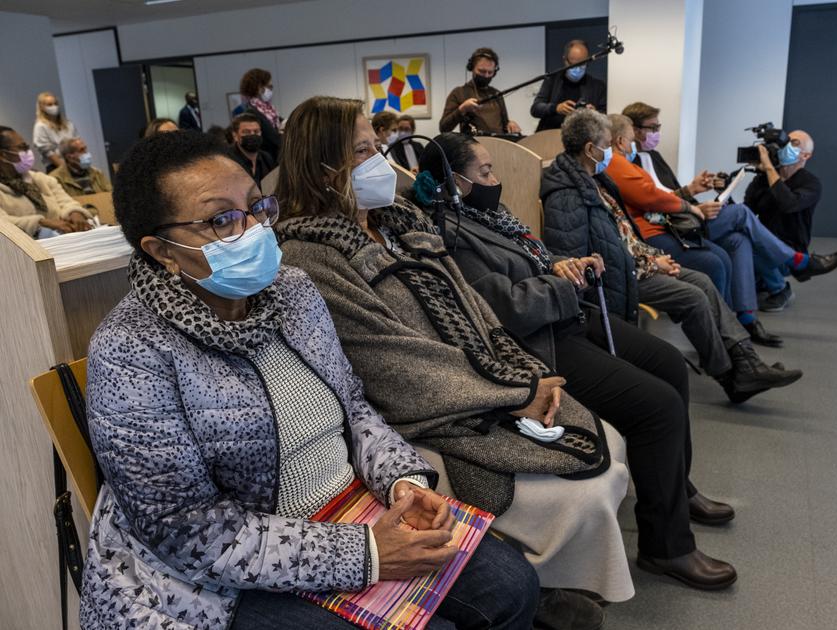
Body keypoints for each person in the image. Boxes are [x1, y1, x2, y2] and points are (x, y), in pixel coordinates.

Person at [79, 129, 540, 629]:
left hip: (348, 507)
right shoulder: (130, 349)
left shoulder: (293, 290)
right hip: (213, 579)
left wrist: (402, 483)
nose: (254, 229)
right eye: (220, 220)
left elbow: (355, 408)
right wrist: (365, 553)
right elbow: (189, 532)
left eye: (256, 207)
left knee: (513, 587)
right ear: (162, 251)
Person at [275, 95, 638, 626]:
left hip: (483, 385)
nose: (380, 160)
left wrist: (524, 375)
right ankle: (538, 589)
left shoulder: (402, 222)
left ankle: (550, 583)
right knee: (579, 491)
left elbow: (475, 306)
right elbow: (388, 363)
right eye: (361, 150)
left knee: (605, 438)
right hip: (424, 411)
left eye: (378, 145)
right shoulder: (310, 255)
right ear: (322, 166)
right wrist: (511, 396)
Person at [413, 131, 742, 594]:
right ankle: (666, 548)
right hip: (540, 342)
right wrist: (563, 285)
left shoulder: (489, 215)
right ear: (453, 181)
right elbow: (506, 309)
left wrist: (566, 264)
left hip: (565, 315)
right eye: (484, 171)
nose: (495, 178)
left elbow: (536, 260)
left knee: (668, 362)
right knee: (659, 405)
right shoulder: (452, 234)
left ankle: (675, 490)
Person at [589, 115, 804, 394]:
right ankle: (732, 373)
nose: (634, 144)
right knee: (715, 259)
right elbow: (629, 222)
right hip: (639, 255)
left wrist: (688, 195)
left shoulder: (620, 169)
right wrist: (657, 252)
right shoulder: (603, 174)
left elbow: (636, 218)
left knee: (729, 250)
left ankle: (745, 359)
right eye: (630, 138)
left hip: (649, 242)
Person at [620, 101, 780, 346]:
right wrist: (692, 203)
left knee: (739, 241)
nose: (657, 133)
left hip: (679, 220)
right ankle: (794, 262)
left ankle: (744, 320)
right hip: (668, 226)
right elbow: (652, 203)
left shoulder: (654, 157)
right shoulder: (626, 164)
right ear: (633, 130)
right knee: (740, 214)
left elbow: (667, 194)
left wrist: (693, 190)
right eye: (653, 127)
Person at [745, 131, 837, 310]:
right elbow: (747, 211)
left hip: (790, 249)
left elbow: (788, 204)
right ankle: (762, 281)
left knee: (754, 248)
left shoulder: (811, 184)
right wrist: (723, 192)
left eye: (794, 143)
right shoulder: (762, 180)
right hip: (763, 244)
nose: (786, 147)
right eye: (785, 142)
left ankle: (780, 289)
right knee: (740, 240)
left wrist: (769, 169)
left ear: (806, 155)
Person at [0, 126, 92, 237]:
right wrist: (42, 223)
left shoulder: (40, 179)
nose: (28, 152)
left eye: (27, 147)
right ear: (2, 155)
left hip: (63, 240)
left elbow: (66, 201)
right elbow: (3, 223)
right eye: (21, 147)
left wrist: (75, 212)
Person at [440, 48, 522, 135]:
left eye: (490, 72)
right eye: (482, 71)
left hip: (498, 145)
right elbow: (443, 128)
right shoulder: (458, 93)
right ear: (472, 68)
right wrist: (462, 109)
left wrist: (510, 124)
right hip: (473, 145)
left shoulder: (496, 94)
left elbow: (505, 123)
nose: (486, 76)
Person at [530, 40, 607, 131]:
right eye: (573, 64)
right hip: (550, 135)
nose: (577, 69)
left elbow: (605, 117)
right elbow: (536, 109)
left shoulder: (597, 86)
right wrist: (556, 108)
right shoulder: (552, 80)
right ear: (565, 60)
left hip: (582, 137)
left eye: (582, 64)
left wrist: (594, 113)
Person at [240, 68, 282, 161]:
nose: (271, 90)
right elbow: (273, 138)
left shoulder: (269, 109)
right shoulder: (253, 112)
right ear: (259, 88)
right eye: (269, 87)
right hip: (268, 160)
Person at [32, 92, 77, 172]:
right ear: (42, 107)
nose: (54, 107)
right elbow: (48, 152)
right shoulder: (40, 126)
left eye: (55, 104)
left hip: (74, 162)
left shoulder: (68, 124)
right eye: (49, 105)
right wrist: (66, 170)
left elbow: (76, 143)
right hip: (56, 166)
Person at [227, 113, 275, 188]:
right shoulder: (228, 160)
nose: (252, 135)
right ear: (235, 136)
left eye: (256, 131)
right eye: (246, 132)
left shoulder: (266, 158)